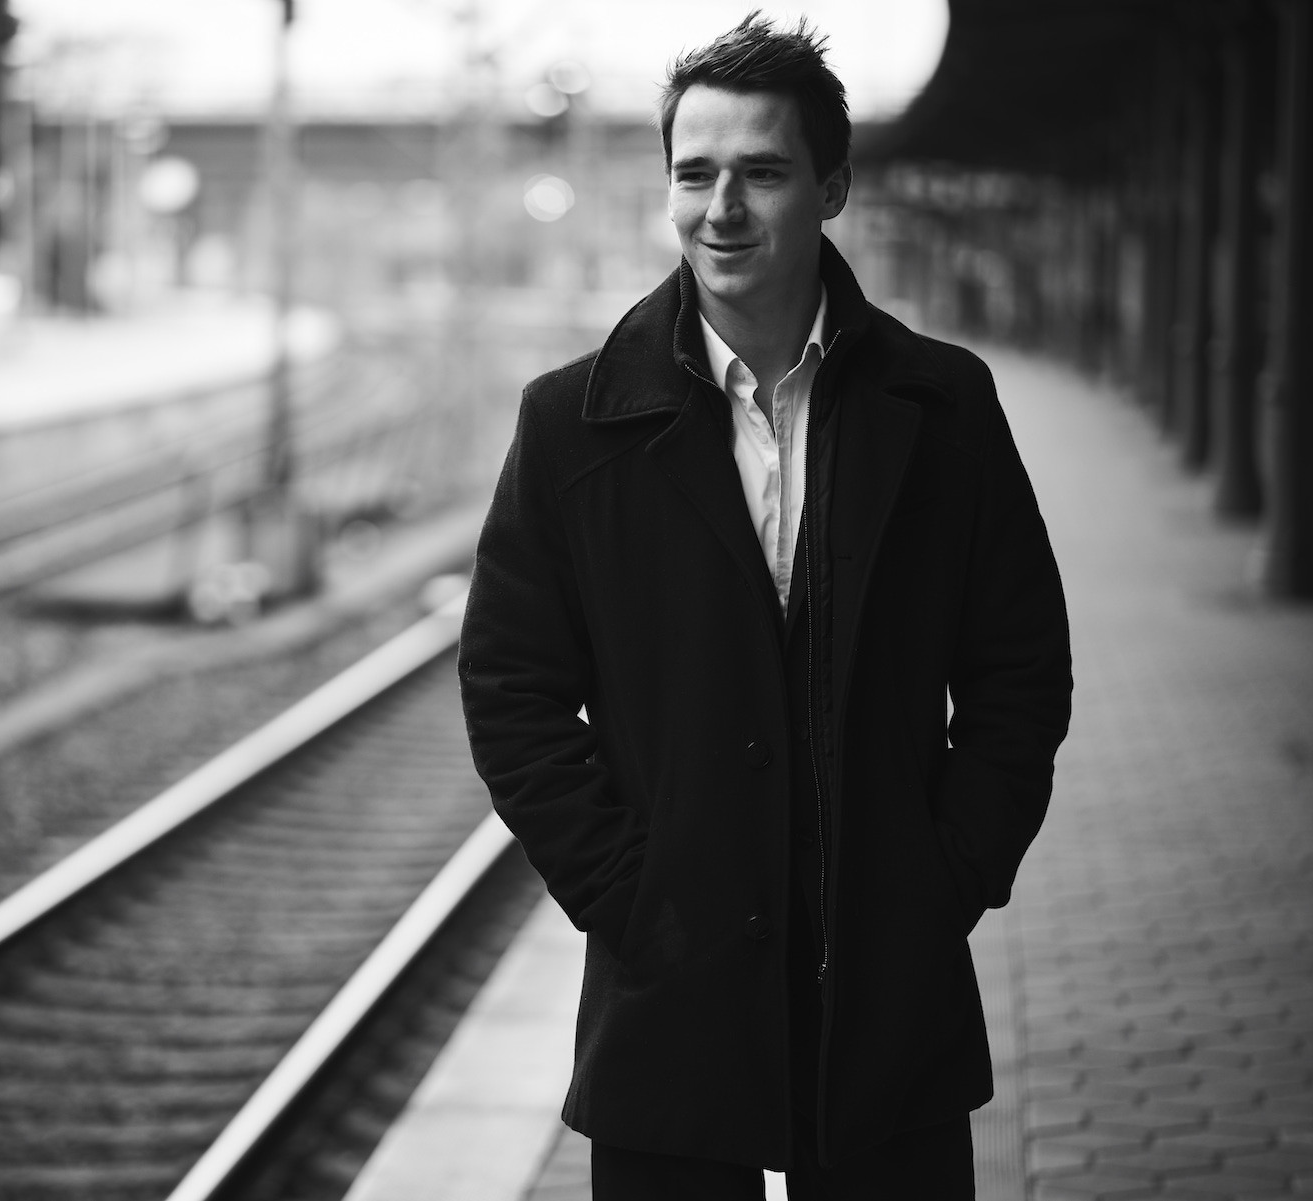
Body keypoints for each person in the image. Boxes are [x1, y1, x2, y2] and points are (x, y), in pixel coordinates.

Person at [457, 14, 1072, 1199]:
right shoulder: (573, 424)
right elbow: (510, 686)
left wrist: (950, 872)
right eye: (694, 174)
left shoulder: (944, 406)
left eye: (763, 173)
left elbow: (1020, 666)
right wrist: (625, 894)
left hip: (889, 977)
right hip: (669, 986)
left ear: (832, 188)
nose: (721, 209)